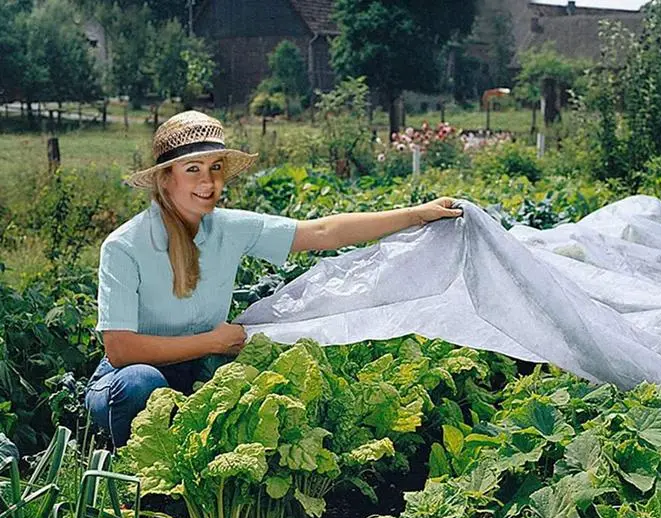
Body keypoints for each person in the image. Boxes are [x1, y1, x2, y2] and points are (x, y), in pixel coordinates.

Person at [84, 110, 462, 448]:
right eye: (193, 169)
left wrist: (416, 214)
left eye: (216, 168)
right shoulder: (124, 246)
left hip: (198, 368)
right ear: (166, 180)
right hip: (123, 380)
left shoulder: (227, 229)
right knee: (142, 385)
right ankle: (131, 467)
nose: (208, 181)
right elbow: (120, 349)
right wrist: (211, 341)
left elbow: (322, 232)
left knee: (251, 372)